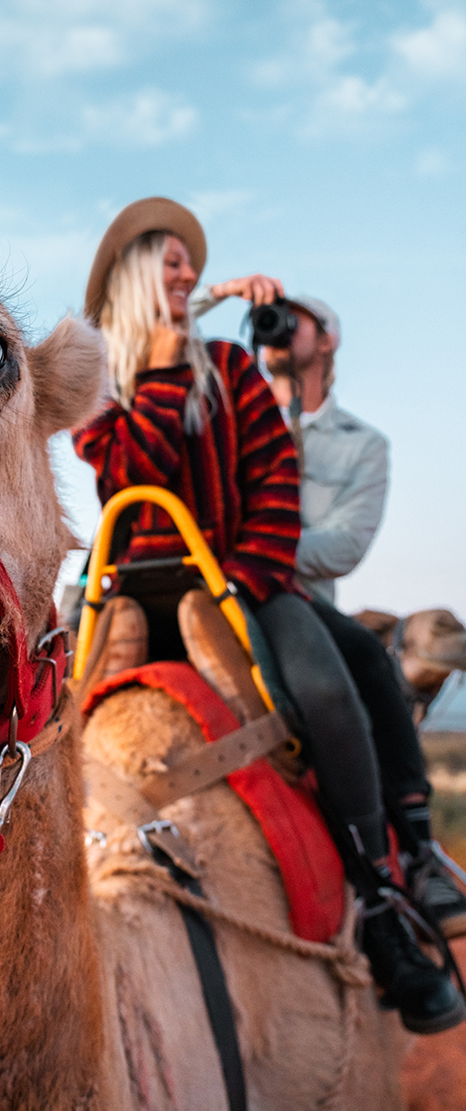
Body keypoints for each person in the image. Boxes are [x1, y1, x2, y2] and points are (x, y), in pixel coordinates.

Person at [73, 196, 463, 1034]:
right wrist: (167, 372)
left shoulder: (237, 372)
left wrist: (243, 581)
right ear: (137, 276)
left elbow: (278, 485)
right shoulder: (97, 386)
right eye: (171, 262)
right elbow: (125, 477)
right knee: (31, 699)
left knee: (329, 685)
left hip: (241, 583)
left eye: (189, 264)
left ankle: (385, 903)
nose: (187, 275)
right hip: (131, 589)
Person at [196, 288, 466, 937]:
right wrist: (218, 296)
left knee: (365, 662)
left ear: (330, 339)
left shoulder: (363, 444)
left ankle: (410, 857)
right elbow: (143, 340)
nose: (278, 327)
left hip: (296, 596)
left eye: (297, 318)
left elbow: (346, 545)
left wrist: (257, 544)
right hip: (207, 582)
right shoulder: (221, 408)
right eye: (268, 317)